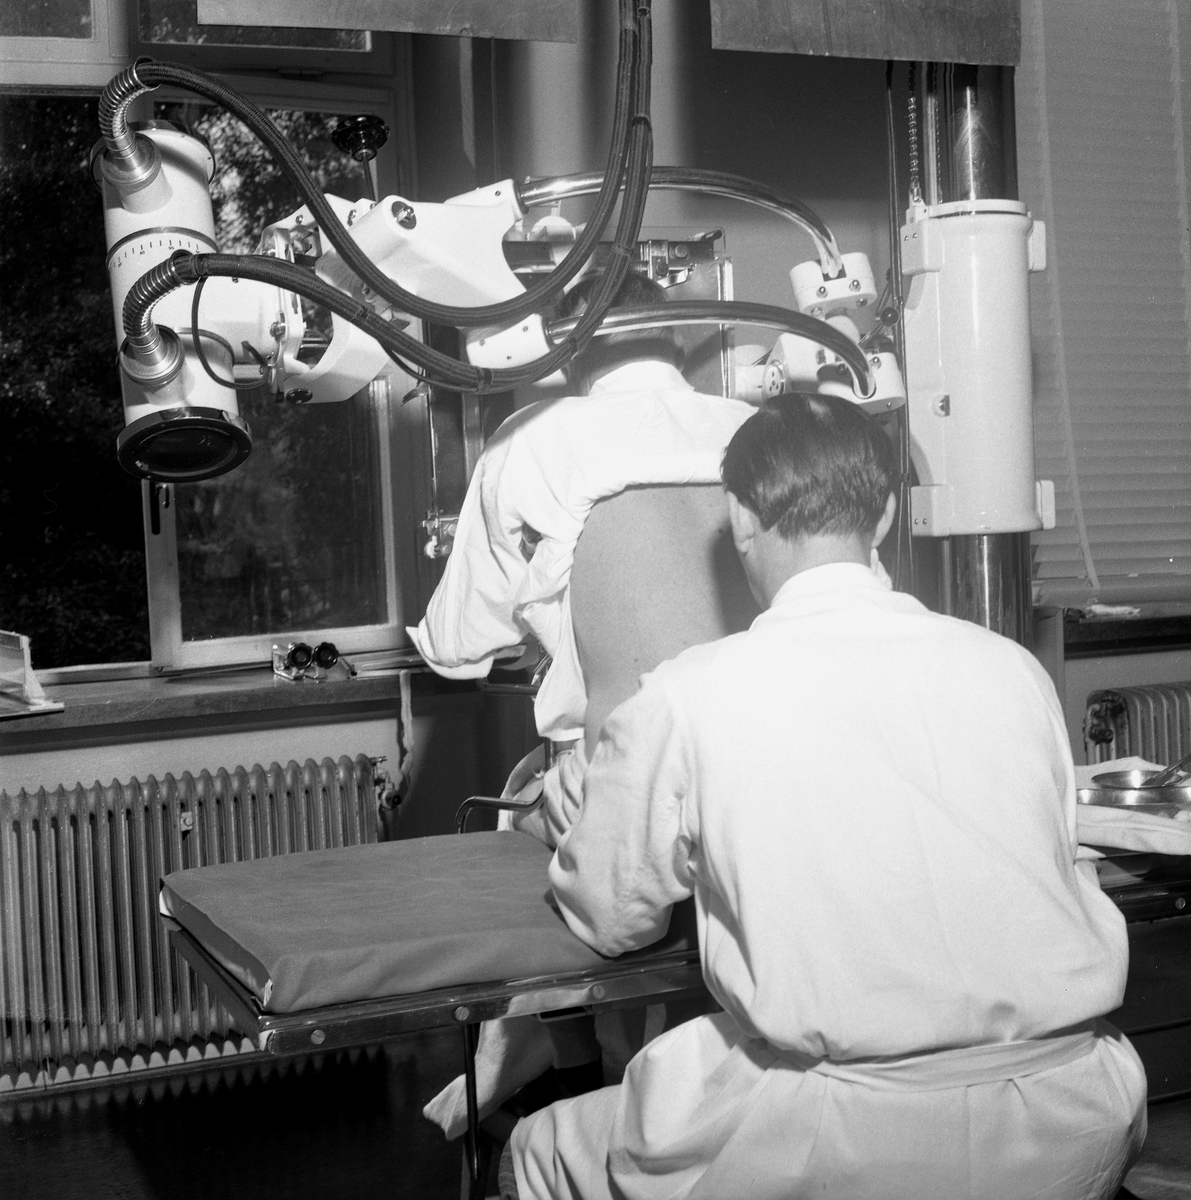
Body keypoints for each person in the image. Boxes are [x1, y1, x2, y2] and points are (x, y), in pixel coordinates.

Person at [501, 392, 1148, 1200]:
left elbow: (610, 916)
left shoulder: (687, 695)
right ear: (884, 516)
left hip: (855, 1133)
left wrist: (578, 825)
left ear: (740, 518)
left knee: (536, 1150)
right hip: (1073, 1114)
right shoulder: (1013, 669)